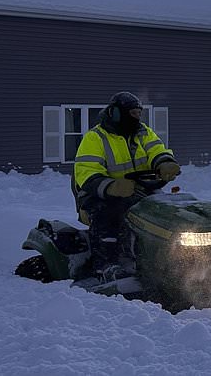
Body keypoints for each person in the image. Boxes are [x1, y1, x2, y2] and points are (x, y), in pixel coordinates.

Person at [71, 91, 181, 281]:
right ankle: (107, 266)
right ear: (115, 113)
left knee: (167, 210)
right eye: (133, 113)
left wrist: (164, 163)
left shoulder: (143, 132)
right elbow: (86, 171)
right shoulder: (96, 137)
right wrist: (111, 186)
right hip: (99, 193)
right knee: (111, 213)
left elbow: (156, 149)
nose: (137, 117)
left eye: (139, 113)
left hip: (138, 188)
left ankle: (170, 255)